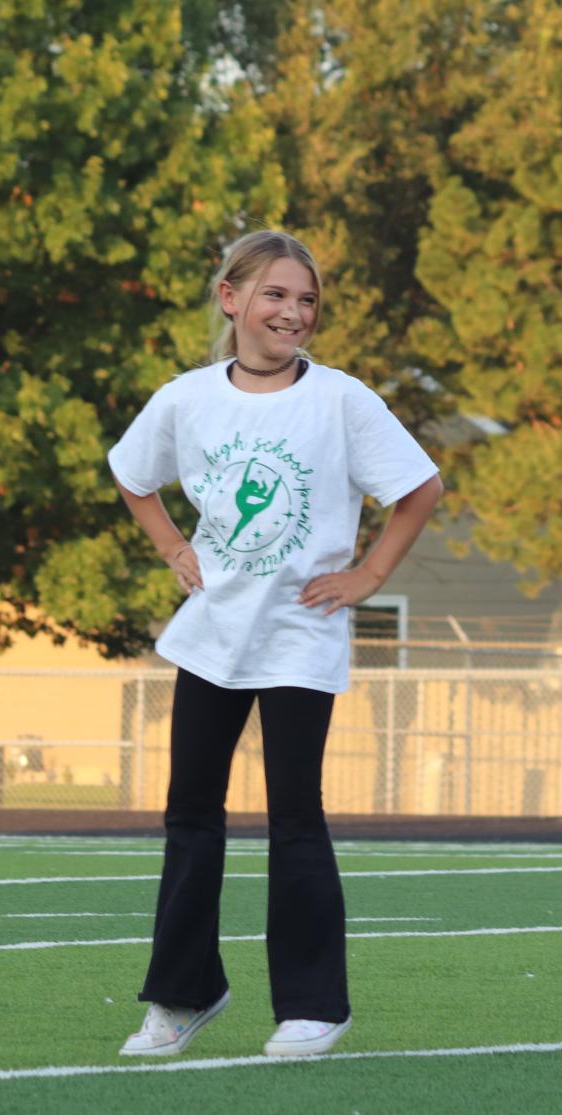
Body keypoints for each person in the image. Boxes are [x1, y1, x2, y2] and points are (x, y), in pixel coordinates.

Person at [107, 230, 442, 1059]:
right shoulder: (186, 398)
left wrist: (366, 576)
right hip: (212, 635)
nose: (293, 312)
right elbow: (131, 474)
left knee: (294, 819)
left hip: (300, 634)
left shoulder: (340, 400)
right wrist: (172, 549)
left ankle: (312, 1006)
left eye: (306, 300)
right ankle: (184, 996)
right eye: (276, 296)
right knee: (191, 818)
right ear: (230, 299)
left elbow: (419, 487)